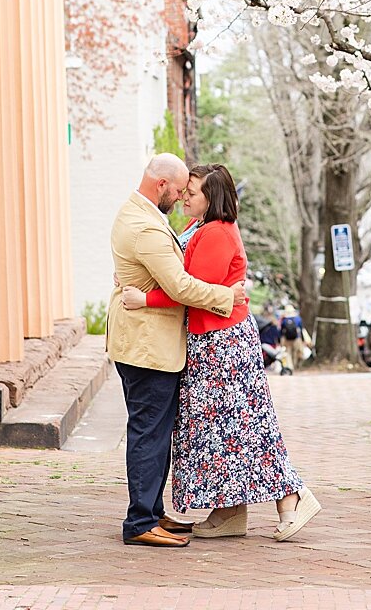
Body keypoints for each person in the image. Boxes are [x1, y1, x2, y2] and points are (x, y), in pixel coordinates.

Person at [121, 164, 322, 542]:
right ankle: (229, 512)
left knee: (245, 427)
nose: (184, 197)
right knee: (220, 431)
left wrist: (143, 297)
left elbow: (188, 288)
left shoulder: (215, 233)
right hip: (210, 340)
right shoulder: (198, 228)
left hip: (223, 344)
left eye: (192, 192)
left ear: (211, 199)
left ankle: (292, 495)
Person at [107, 153, 247, 548]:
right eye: (181, 188)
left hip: (143, 342)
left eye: (191, 190)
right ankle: (139, 522)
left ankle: (151, 511)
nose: (183, 195)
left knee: (153, 429)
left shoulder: (139, 215)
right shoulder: (147, 228)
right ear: (162, 185)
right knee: (149, 431)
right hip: (147, 346)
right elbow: (181, 287)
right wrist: (227, 295)